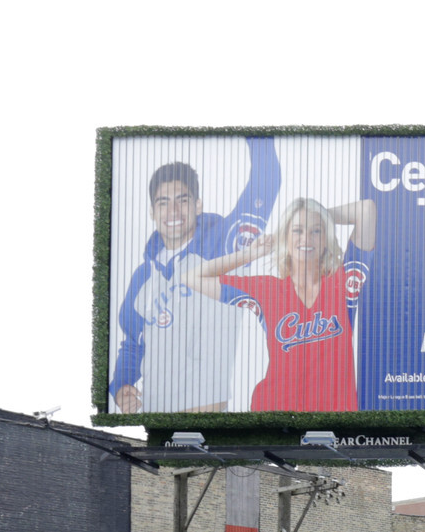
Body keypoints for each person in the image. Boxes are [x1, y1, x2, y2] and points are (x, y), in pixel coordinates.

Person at [109, 140, 280, 413]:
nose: (173, 211)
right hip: (158, 420)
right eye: (163, 203)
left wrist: (256, 133)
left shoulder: (224, 241)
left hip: (209, 417)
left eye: (182, 200)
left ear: (197, 205)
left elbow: (267, 182)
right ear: (152, 212)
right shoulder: (142, 277)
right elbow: (132, 343)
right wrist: (121, 385)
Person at [180, 196, 376, 412]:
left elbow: (366, 210)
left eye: (316, 231)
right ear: (285, 237)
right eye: (297, 231)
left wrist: (318, 214)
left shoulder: (344, 281)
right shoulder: (266, 290)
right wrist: (251, 253)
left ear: (326, 238)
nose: (306, 238)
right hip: (276, 414)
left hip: (335, 415)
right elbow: (192, 277)